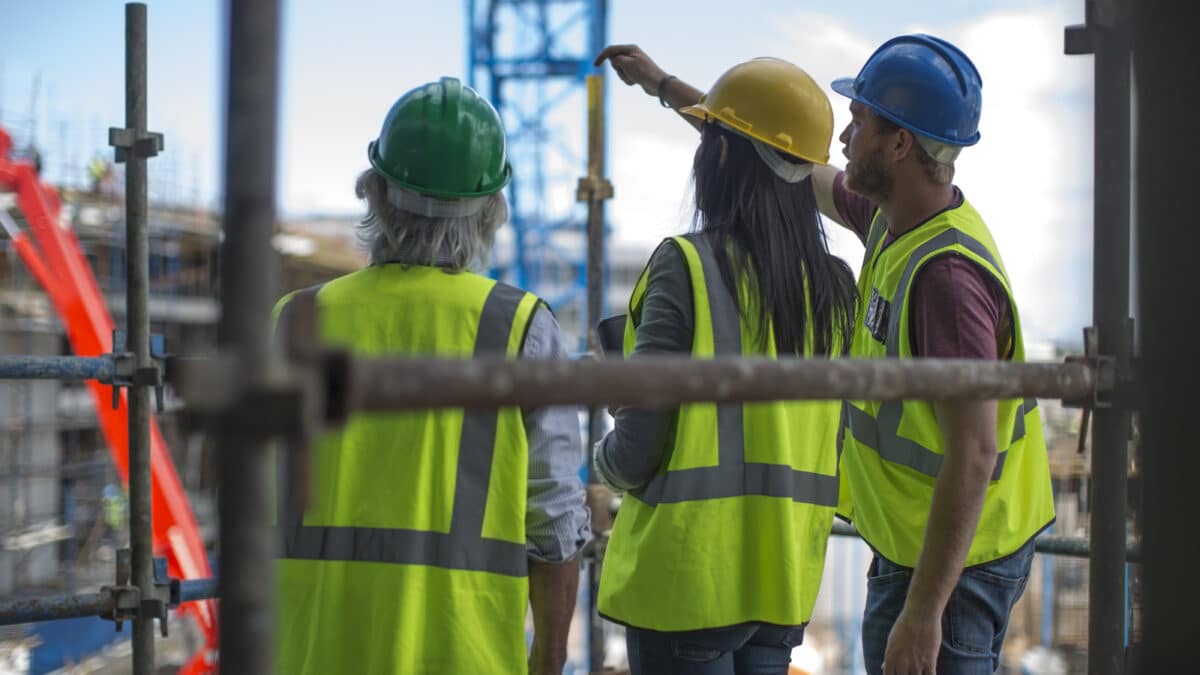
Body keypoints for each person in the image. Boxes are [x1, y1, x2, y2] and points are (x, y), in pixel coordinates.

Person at [598, 35, 1055, 675]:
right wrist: (667, 87)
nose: (842, 137)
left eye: (860, 119)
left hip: (957, 562)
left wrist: (924, 613)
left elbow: (976, 451)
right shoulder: (892, 222)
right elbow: (775, 154)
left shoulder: (946, 278)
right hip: (911, 543)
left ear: (900, 144)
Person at [272, 77, 591, 675]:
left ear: (375, 194)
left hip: (307, 651)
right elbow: (552, 520)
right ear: (492, 210)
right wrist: (547, 660)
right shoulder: (518, 326)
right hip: (459, 653)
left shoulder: (298, 320)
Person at [590, 55, 858, 674]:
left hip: (689, 585)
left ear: (723, 158)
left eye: (711, 137)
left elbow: (633, 456)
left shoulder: (687, 268)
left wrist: (603, 459)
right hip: (783, 585)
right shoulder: (835, 289)